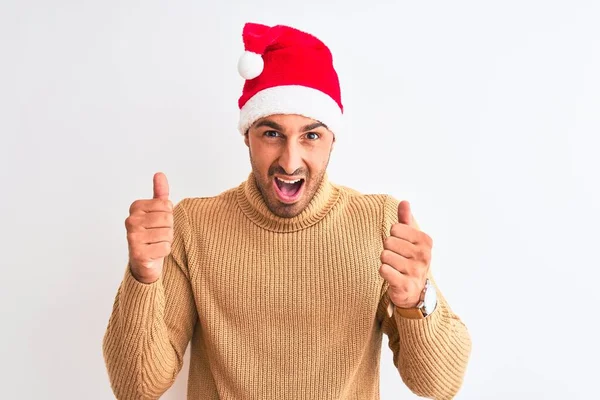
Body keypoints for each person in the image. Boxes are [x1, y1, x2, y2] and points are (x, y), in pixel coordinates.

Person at [102, 22, 472, 400]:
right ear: (247, 135)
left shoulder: (380, 223)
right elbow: (137, 388)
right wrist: (143, 276)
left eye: (311, 136)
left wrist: (416, 301)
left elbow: (438, 385)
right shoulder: (193, 225)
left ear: (332, 140)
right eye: (271, 133)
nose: (290, 162)